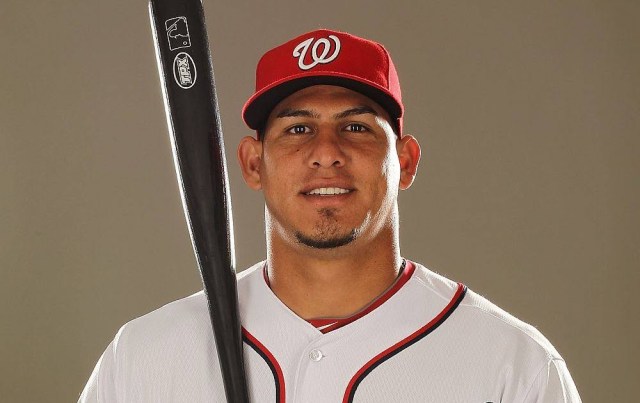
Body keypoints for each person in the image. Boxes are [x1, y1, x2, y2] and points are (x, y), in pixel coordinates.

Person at [80, 29, 581, 402]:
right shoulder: (143, 359)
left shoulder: (512, 365)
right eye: (297, 130)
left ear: (405, 162)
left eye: (357, 127)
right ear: (253, 163)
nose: (326, 152)